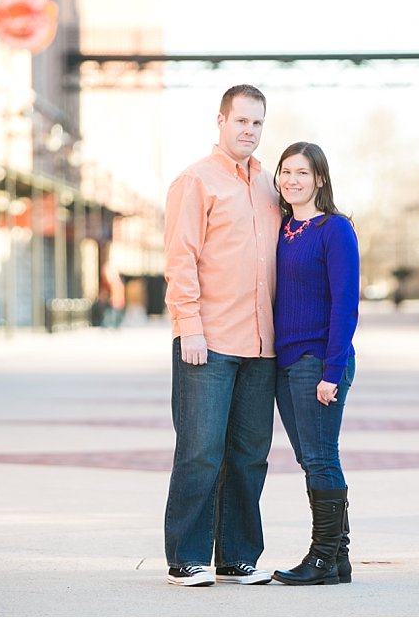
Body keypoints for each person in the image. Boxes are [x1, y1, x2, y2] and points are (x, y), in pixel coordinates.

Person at [163, 84, 281, 587]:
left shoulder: (269, 187)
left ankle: (237, 556)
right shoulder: (196, 181)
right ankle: (186, 557)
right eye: (241, 121)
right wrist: (188, 327)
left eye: (257, 123)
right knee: (200, 451)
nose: (249, 131)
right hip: (207, 344)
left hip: (262, 346)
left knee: (250, 455)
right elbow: (179, 260)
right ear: (221, 121)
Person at [270, 142, 360, 586]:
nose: (292, 180)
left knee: (322, 457)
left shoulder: (335, 229)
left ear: (319, 179)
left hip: (317, 360)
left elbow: (345, 306)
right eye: (286, 171)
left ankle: (323, 558)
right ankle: (338, 558)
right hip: (284, 361)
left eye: (302, 172)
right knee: (312, 458)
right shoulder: (283, 227)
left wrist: (331, 372)